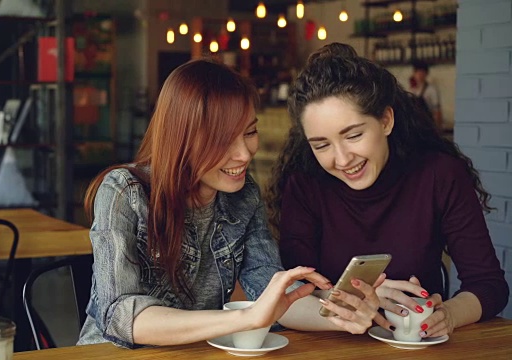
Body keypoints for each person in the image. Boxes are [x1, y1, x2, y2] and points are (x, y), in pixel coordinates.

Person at [75, 59, 336, 349]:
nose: (244, 154)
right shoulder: (125, 192)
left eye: (249, 132)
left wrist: (350, 312)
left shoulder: (243, 195)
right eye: (222, 140)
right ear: (182, 137)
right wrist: (245, 319)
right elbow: (120, 316)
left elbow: (270, 291)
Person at [267, 43, 508, 339]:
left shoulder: (439, 175)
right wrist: (362, 301)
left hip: (414, 345)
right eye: (321, 145)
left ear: (386, 120)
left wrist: (449, 315)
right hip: (332, 348)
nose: (342, 160)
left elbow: (488, 285)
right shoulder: (305, 184)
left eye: (354, 135)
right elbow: (293, 295)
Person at [409, 60, 443, 129]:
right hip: (415, 126)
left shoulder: (431, 90)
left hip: (428, 126)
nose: (419, 75)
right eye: (417, 72)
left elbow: (437, 111)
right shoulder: (412, 90)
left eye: (422, 73)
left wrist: (438, 129)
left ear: (426, 74)